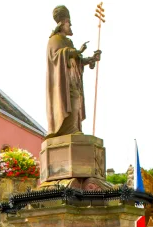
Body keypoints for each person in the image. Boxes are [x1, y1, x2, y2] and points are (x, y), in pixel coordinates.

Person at [46, 5, 102, 136]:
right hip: (62, 82)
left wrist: (91, 59)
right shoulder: (54, 40)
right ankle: (67, 128)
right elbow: (57, 55)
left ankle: (73, 127)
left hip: (71, 79)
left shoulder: (68, 42)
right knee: (70, 99)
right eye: (68, 22)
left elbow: (77, 60)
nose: (70, 25)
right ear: (62, 23)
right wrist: (77, 51)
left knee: (76, 98)